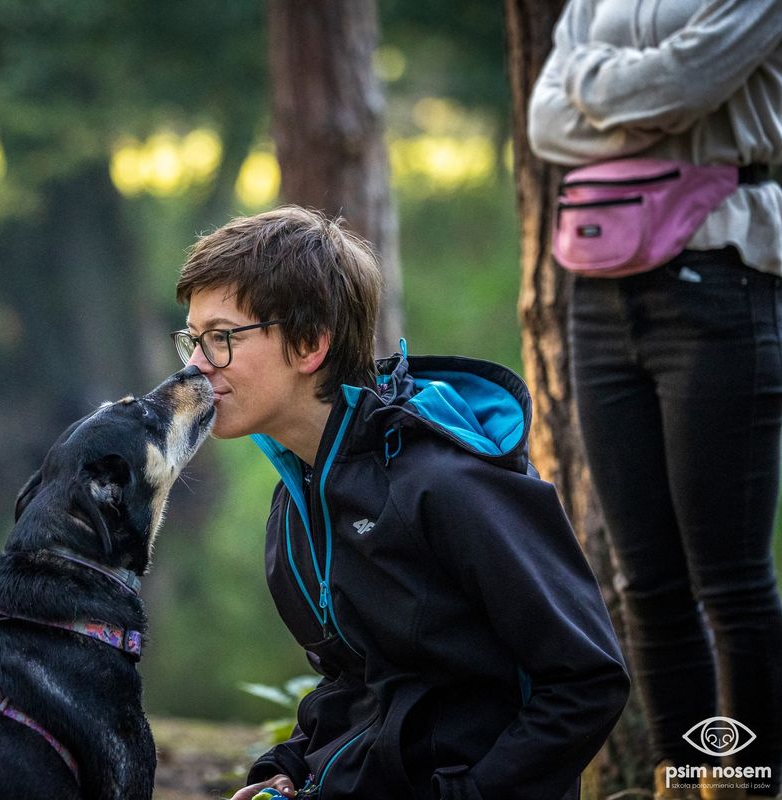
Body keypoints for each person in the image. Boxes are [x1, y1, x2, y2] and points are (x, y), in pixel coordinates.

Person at [171, 206, 629, 800]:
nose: (195, 366)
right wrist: (288, 770)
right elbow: (357, 678)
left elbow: (588, 681)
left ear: (310, 344)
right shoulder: (296, 500)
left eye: (222, 338)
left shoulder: (448, 484)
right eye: (193, 338)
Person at [529, 3, 782, 798]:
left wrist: (593, 83)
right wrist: (643, 96)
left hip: (722, 279)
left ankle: (745, 781)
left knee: (731, 580)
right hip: (600, 295)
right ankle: (685, 780)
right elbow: (546, 124)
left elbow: (679, 88)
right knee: (647, 580)